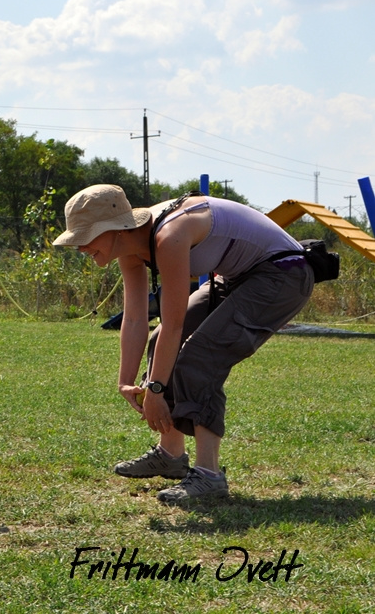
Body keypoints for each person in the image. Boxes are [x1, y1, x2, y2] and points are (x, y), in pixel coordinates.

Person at [52, 184, 313, 504]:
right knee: (158, 338)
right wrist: (125, 382)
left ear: (114, 229)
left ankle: (209, 476)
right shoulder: (130, 245)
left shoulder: (168, 237)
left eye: (85, 237)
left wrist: (157, 390)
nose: (80, 247)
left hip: (284, 273)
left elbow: (174, 322)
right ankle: (171, 454)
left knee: (200, 356)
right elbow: (135, 318)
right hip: (238, 276)